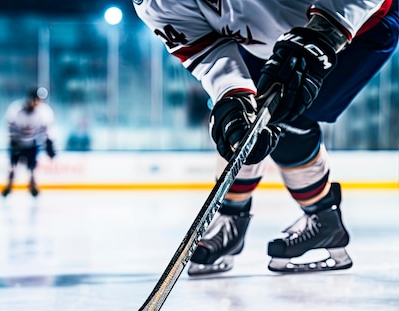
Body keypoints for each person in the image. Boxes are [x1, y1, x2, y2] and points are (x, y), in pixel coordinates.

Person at [133, 0, 399, 274]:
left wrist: (325, 31)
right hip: (266, 41)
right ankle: (230, 218)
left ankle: (323, 221)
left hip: (360, 25)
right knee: (239, 124)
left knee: (291, 123)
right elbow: (203, 47)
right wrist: (230, 91)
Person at [1, 87, 56, 198]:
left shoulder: (44, 112)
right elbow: (9, 126)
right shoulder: (16, 109)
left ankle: (32, 184)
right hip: (17, 142)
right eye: (35, 99)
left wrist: (49, 143)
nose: (37, 103)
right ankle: (9, 184)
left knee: (32, 167)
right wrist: (13, 140)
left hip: (32, 144)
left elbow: (47, 130)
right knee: (12, 167)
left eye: (39, 100)